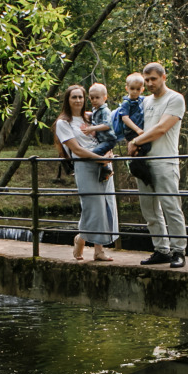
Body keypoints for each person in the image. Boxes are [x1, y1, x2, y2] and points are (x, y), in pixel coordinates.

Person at [127, 62, 186, 267]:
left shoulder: (175, 99)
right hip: (144, 162)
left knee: (171, 206)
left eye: (153, 78)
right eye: (147, 80)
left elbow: (161, 128)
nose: (150, 83)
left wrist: (135, 142)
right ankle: (161, 250)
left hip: (165, 160)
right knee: (149, 210)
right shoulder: (144, 101)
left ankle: (179, 251)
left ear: (163, 77)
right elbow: (128, 120)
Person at [53, 84, 119, 261]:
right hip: (85, 165)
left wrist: (108, 153)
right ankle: (81, 238)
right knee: (92, 206)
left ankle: (99, 250)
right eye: (74, 97)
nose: (78, 100)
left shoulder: (92, 117)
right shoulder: (63, 123)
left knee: (105, 204)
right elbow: (77, 150)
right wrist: (98, 158)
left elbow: (108, 133)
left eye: (81, 97)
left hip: (104, 163)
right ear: (68, 100)